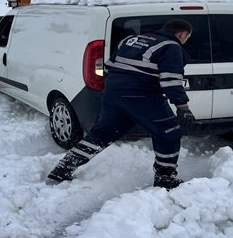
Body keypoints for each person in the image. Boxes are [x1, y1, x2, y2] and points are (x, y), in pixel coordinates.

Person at [47, 19, 195, 190]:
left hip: (114, 94)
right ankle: (165, 178)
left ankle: (63, 167)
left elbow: (109, 66)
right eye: (187, 38)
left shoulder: (131, 40)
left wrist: (114, 90)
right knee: (169, 132)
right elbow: (171, 80)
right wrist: (183, 107)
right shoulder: (171, 46)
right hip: (142, 96)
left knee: (103, 133)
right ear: (182, 34)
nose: (185, 41)